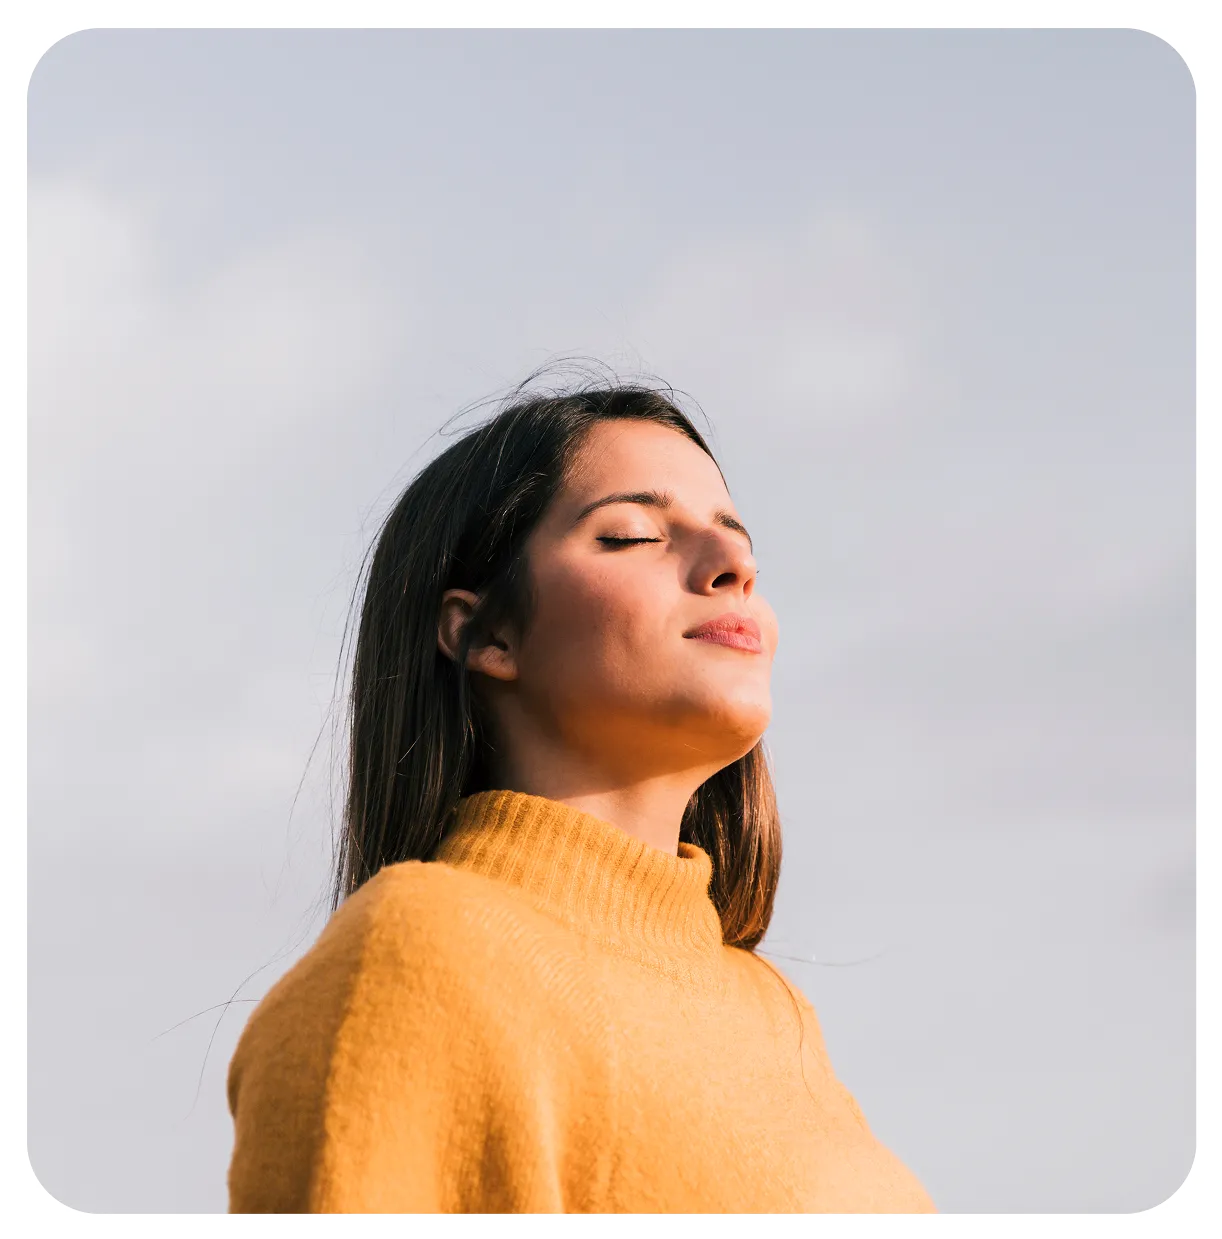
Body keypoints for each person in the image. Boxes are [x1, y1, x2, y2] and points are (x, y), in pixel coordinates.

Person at [225, 372, 937, 1213]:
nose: (734, 565)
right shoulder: (416, 956)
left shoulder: (774, 1016)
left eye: (738, 539)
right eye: (633, 534)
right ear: (487, 634)